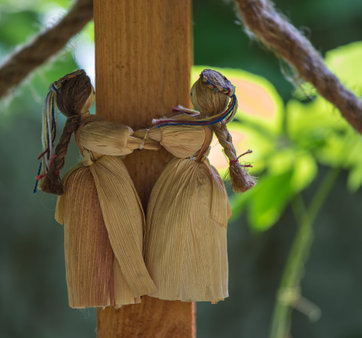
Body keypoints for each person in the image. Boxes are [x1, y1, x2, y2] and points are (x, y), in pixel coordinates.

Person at [36, 69, 157, 308]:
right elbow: (120, 138)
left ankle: (117, 287)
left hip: (102, 178)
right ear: (85, 98)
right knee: (112, 235)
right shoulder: (89, 130)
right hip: (103, 183)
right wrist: (149, 141)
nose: (95, 93)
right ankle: (113, 289)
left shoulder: (85, 126)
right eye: (91, 90)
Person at [141, 69, 256, 303]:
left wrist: (135, 136)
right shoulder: (203, 122)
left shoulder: (196, 132)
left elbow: (161, 136)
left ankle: (170, 281)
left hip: (186, 184)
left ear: (199, 97)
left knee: (174, 233)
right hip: (196, 176)